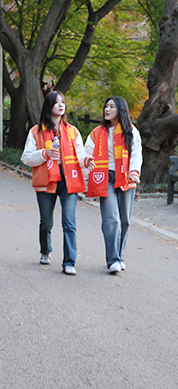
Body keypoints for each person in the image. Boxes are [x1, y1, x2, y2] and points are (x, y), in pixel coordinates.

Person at [21, 91, 87, 275]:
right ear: (48, 106)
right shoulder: (36, 131)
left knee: (69, 222)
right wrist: (44, 153)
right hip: (46, 180)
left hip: (68, 181)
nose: (61, 105)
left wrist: (86, 161)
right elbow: (26, 157)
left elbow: (80, 155)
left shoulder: (72, 131)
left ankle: (69, 262)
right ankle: (45, 250)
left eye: (63, 102)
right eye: (56, 102)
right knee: (46, 222)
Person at [83, 96, 142, 274]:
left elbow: (136, 154)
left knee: (125, 220)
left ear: (120, 110)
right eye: (106, 106)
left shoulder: (131, 131)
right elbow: (86, 152)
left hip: (126, 178)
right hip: (104, 177)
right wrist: (86, 168)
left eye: (112, 107)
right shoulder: (97, 132)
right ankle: (113, 259)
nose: (107, 110)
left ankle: (120, 255)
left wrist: (134, 172)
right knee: (112, 219)